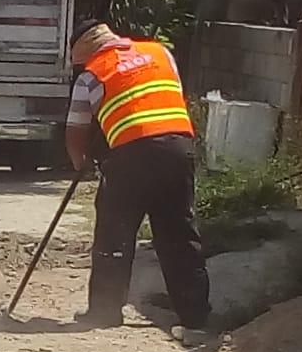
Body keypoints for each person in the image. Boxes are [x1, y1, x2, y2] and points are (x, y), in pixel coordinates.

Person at [65, 20, 210, 333]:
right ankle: (196, 318)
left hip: (131, 157)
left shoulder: (91, 75)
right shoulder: (160, 53)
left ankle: (104, 312)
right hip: (178, 147)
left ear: (85, 54)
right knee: (179, 235)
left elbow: (76, 132)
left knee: (113, 233)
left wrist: (82, 164)